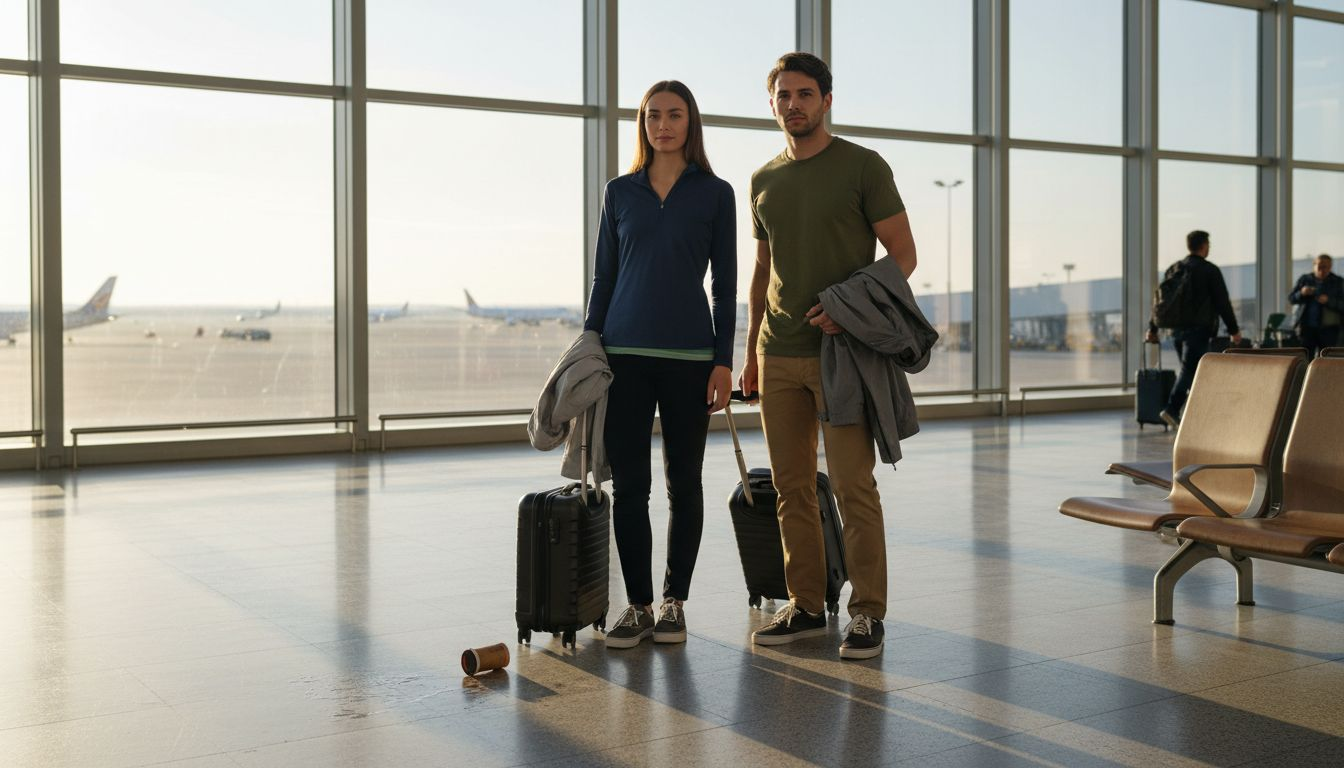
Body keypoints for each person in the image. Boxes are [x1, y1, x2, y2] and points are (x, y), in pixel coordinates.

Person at [739, 53, 918, 660]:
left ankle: (867, 613)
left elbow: (903, 255)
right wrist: (750, 352)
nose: (794, 105)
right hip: (778, 351)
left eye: (805, 94)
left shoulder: (863, 166)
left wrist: (849, 309)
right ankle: (808, 605)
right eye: (784, 95)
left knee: (851, 485)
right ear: (773, 104)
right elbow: (762, 271)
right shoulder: (763, 180)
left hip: (842, 355)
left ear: (827, 100)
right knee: (790, 489)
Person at [583, 80, 736, 649]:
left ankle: (675, 603)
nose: (663, 125)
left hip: (691, 359)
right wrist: (589, 344)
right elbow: (605, 277)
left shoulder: (716, 194)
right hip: (624, 356)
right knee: (630, 487)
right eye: (653, 116)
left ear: (691, 123)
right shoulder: (619, 193)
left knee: (685, 482)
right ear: (642, 124)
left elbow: (724, 286)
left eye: (675, 115)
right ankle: (638, 605)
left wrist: (723, 359)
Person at [1145, 230, 1242, 427]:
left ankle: (1194, 412)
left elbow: (1161, 302)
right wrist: (1234, 330)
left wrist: (1153, 327)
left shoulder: (1174, 269)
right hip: (1198, 329)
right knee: (1190, 371)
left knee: (1190, 371)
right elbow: (1222, 302)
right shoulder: (1209, 270)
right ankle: (1172, 409)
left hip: (1176, 330)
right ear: (1204, 245)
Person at [1289, 254, 1343, 358]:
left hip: (1329, 329)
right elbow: (1291, 298)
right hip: (1307, 328)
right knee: (1305, 358)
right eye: (1319, 266)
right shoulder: (1305, 279)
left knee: (1327, 360)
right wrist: (1301, 293)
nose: (1322, 270)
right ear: (1314, 265)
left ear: (1330, 267)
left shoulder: (1338, 282)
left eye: (1325, 267)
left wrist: (1329, 301)